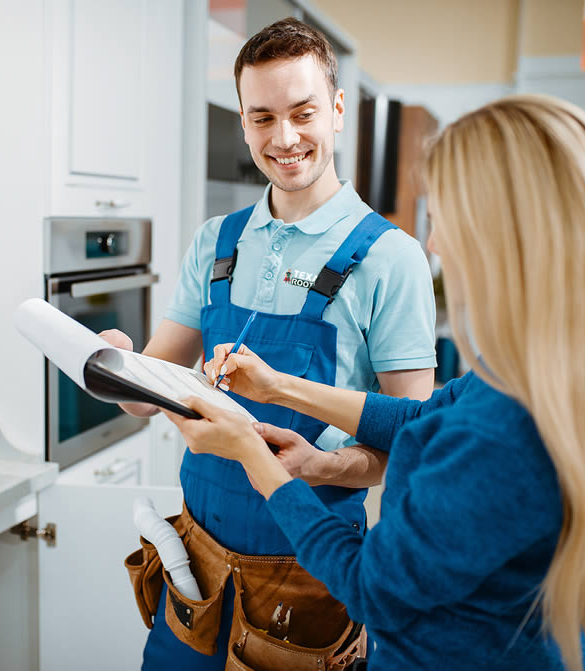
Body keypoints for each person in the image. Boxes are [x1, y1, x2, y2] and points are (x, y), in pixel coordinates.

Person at [167, 95, 585, 671]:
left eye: (447, 217)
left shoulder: (499, 434)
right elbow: (419, 418)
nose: (435, 243)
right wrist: (279, 387)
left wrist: (253, 454)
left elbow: (372, 586)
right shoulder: (536, 378)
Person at [103, 17, 436, 670]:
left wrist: (320, 465)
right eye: (261, 118)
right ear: (243, 120)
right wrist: (113, 366)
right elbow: (148, 396)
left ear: (337, 111)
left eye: (302, 112)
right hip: (192, 565)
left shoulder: (390, 260)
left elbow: (414, 448)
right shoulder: (215, 241)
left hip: (307, 575)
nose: (282, 139)